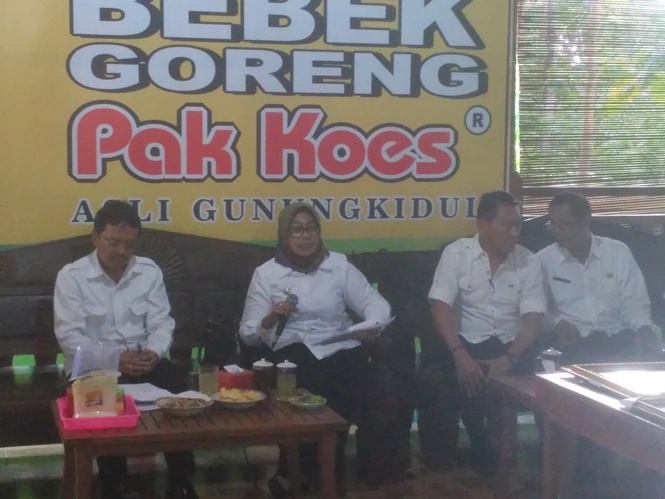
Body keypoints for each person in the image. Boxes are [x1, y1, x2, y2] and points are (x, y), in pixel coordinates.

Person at [239, 201, 391, 497]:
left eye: (311, 229)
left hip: (338, 347)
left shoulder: (338, 266)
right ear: (284, 234)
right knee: (302, 368)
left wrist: (369, 327)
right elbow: (248, 334)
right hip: (291, 351)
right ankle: (296, 471)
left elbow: (377, 306)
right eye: (296, 229)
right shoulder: (267, 274)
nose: (305, 236)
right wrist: (270, 318)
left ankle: (331, 469)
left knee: (352, 368)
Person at [53, 200, 198, 499]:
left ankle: (181, 481)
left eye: (129, 244)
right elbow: (70, 339)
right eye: (113, 242)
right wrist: (116, 359)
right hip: (93, 367)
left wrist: (154, 352)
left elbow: (162, 322)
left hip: (143, 361)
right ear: (95, 238)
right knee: (106, 400)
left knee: (178, 388)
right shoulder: (72, 276)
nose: (121, 251)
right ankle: (113, 486)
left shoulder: (148, 271)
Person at [428, 191, 546, 474]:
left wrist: (509, 359)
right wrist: (459, 355)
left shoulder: (529, 261)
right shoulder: (457, 254)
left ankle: (544, 461)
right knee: (460, 378)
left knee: (547, 384)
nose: (514, 232)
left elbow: (533, 319)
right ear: (483, 225)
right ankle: (484, 448)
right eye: (507, 225)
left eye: (518, 225)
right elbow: (440, 306)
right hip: (468, 344)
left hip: (514, 348)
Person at [537, 191, 660, 364]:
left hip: (618, 337)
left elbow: (634, 303)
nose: (557, 231)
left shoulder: (617, 252)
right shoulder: (543, 260)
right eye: (553, 224)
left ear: (586, 221)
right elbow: (538, 309)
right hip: (574, 341)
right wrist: (557, 324)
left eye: (564, 223)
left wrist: (643, 328)